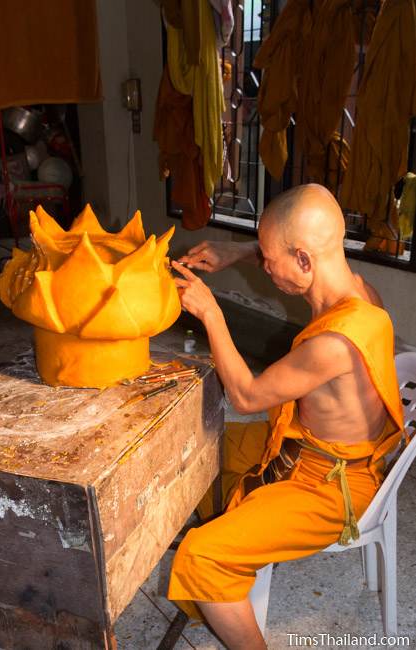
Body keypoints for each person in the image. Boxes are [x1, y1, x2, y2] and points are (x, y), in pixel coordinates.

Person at [167, 184, 404, 650]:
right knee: (200, 448)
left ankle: (222, 580)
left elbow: (247, 394)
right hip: (307, 447)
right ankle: (226, 584)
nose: (266, 266)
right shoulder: (362, 293)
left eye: (271, 259)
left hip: (330, 486)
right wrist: (233, 252)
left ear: (303, 261)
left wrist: (211, 314)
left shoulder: (333, 344)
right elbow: (285, 250)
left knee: (201, 554)